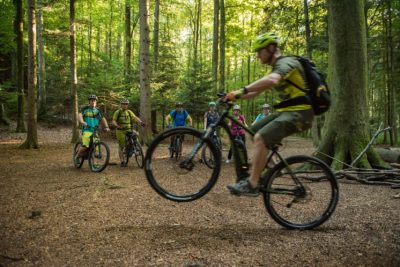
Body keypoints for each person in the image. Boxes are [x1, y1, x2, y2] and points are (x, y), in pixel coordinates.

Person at [223, 32, 314, 196]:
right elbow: (253, 94)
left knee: (261, 138)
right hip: (287, 112)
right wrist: (232, 96)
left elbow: (272, 80)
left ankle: (252, 184)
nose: (258, 56)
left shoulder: (286, 63)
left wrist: (241, 90)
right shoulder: (277, 68)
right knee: (253, 130)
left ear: (271, 48)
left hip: (300, 113)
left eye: (260, 51)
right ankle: (273, 168)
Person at [112, 99, 145, 167]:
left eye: (126, 104)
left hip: (129, 129)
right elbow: (113, 121)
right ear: (121, 105)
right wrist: (117, 126)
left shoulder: (129, 112)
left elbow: (135, 117)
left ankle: (136, 148)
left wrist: (141, 122)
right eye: (123, 104)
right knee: (121, 145)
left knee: (136, 134)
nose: (125, 105)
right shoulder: (118, 112)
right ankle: (122, 161)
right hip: (120, 131)